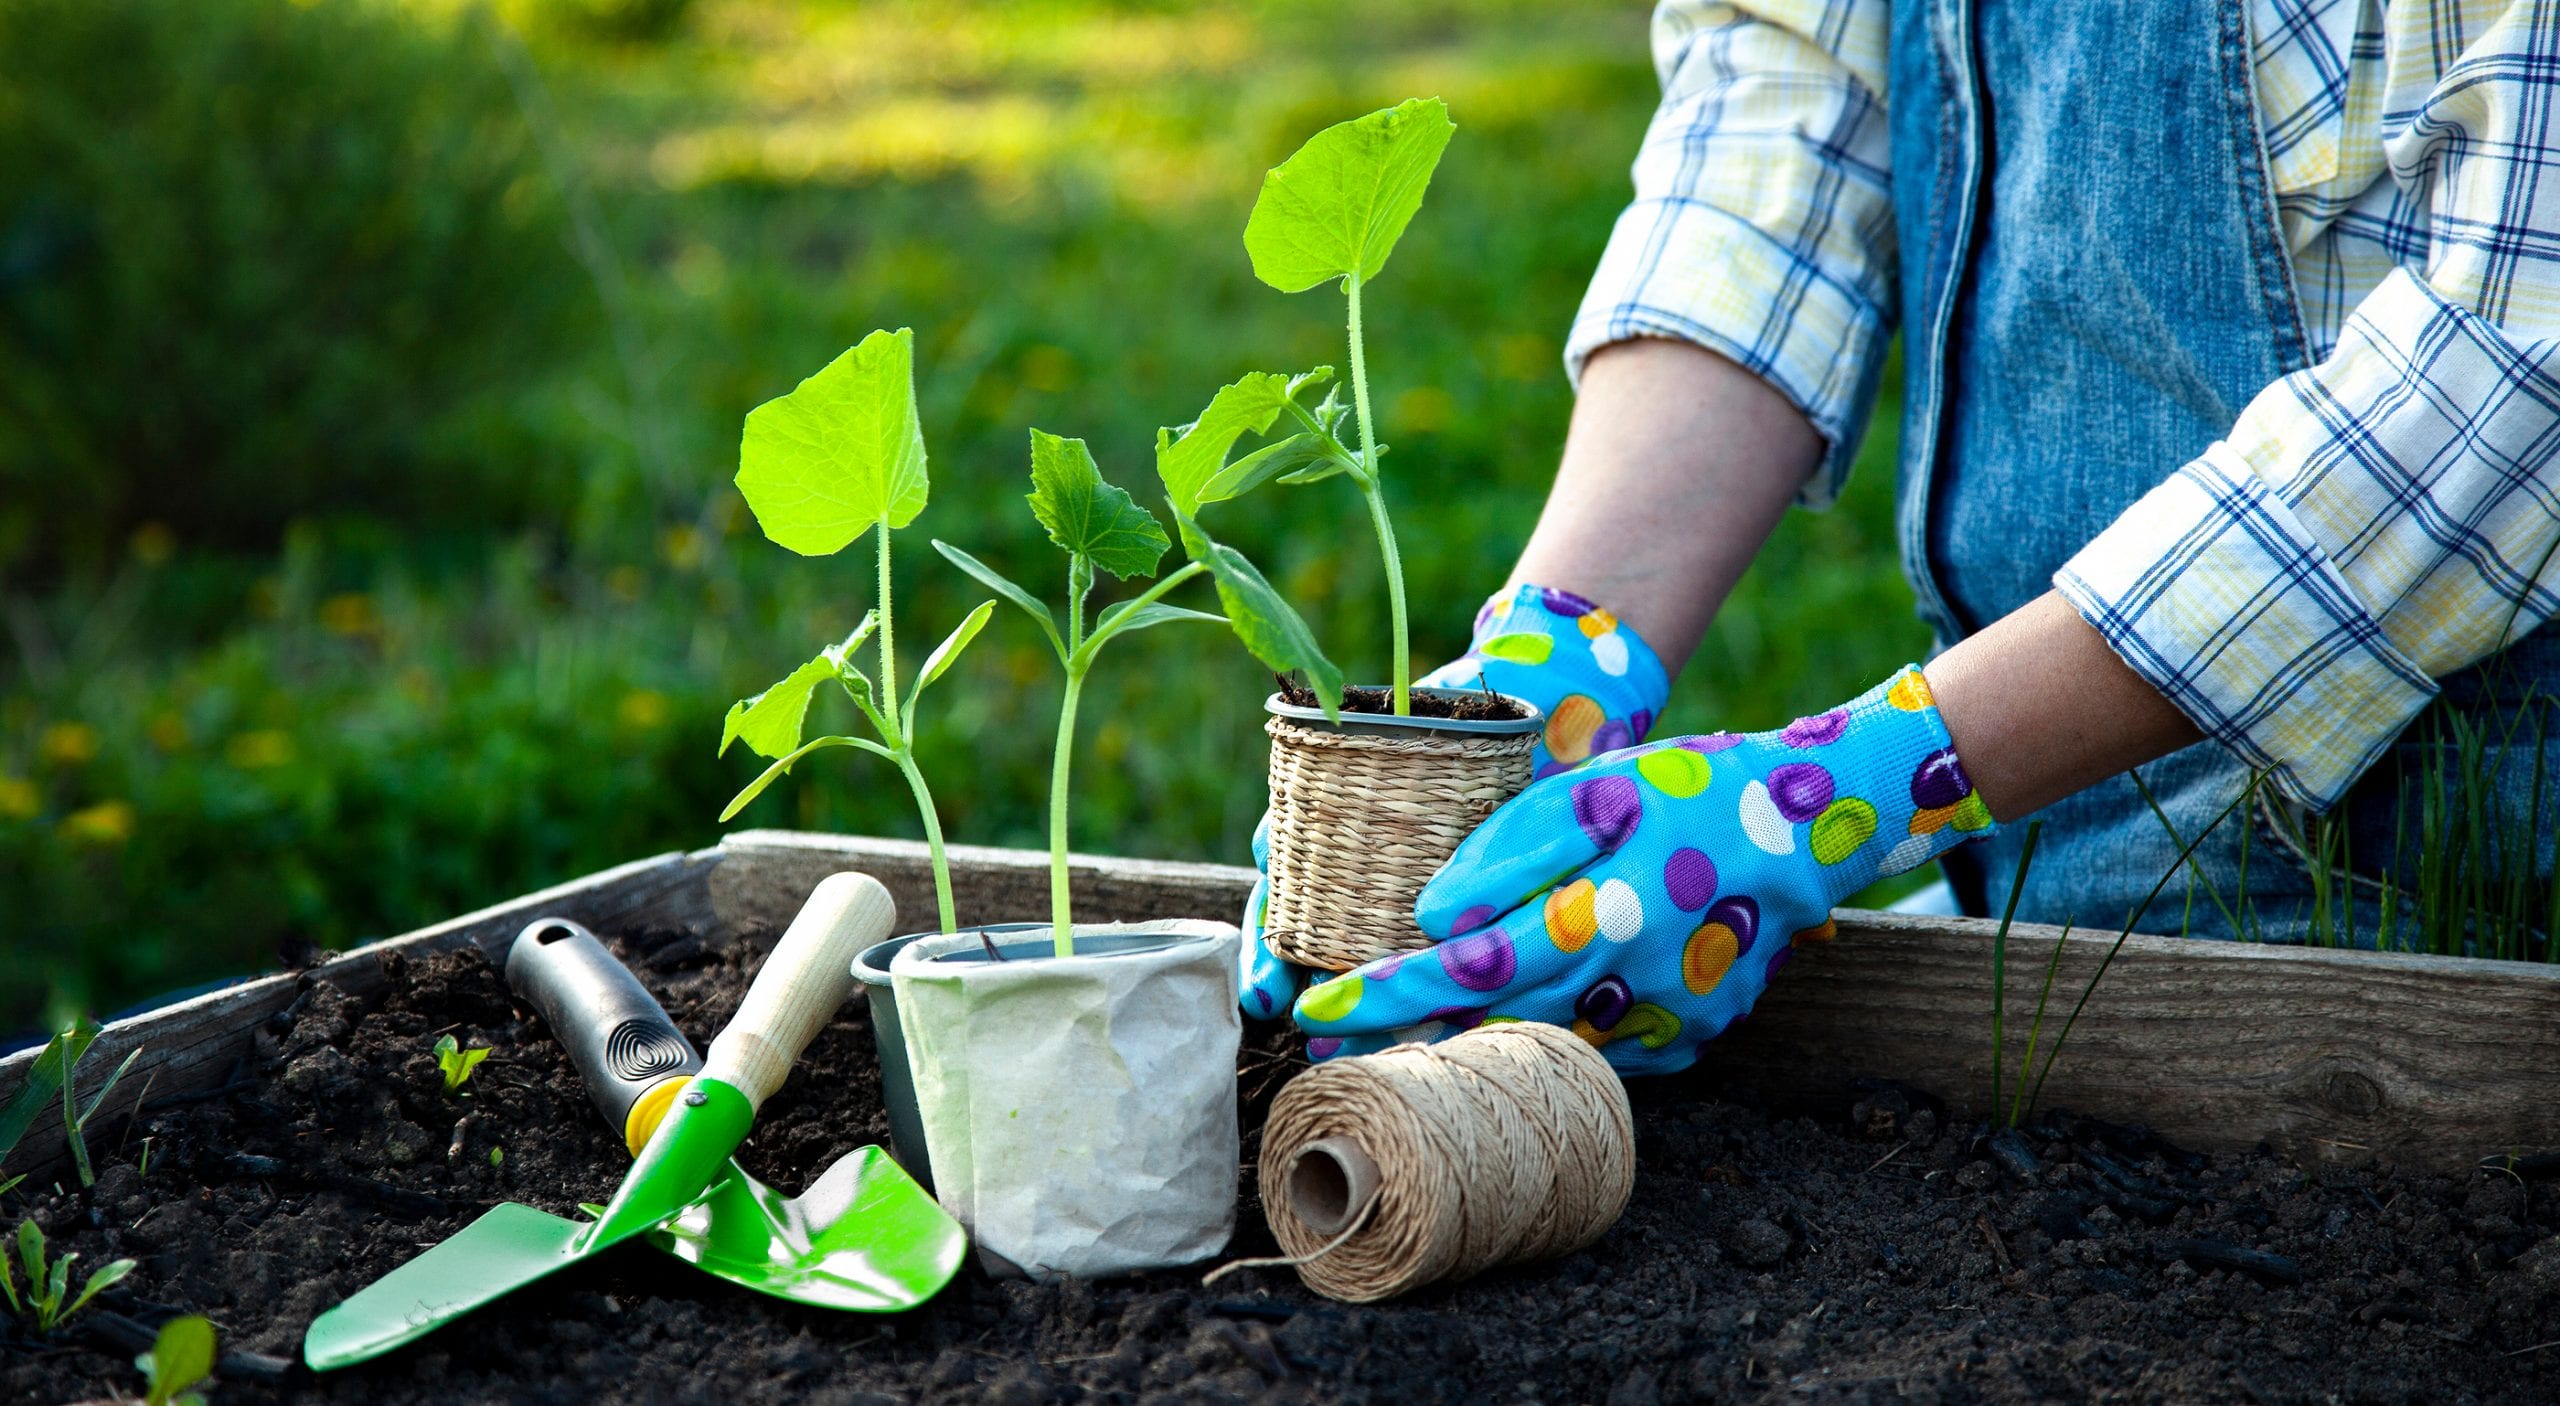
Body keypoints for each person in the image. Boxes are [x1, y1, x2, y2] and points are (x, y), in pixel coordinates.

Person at [1242, 0, 2560, 1071]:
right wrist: (1552, 655)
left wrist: (1859, 780)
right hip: (2025, 889)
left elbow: (2514, 370)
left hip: (2430, 935)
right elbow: (1785, 116)